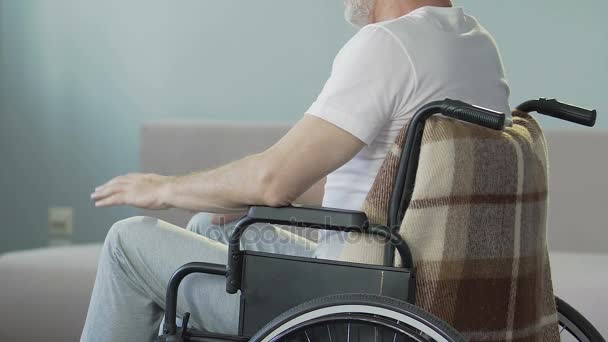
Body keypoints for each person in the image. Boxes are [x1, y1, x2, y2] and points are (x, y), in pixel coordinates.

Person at [81, 0, 510, 340]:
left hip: (348, 300)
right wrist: (258, 196)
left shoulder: (388, 45)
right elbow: (397, 191)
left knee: (127, 242)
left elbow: (271, 180)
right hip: (414, 282)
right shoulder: (474, 44)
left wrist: (163, 189)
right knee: (209, 228)